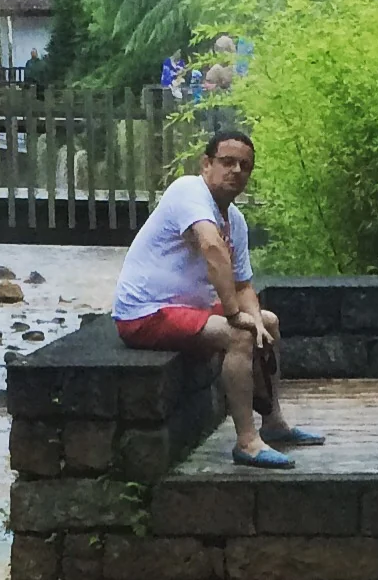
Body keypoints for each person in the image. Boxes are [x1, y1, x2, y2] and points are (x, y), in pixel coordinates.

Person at [107, 130, 318, 469]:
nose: (236, 170)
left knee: (269, 322)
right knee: (239, 335)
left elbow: (244, 284)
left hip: (187, 309)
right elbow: (211, 246)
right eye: (227, 162)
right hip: (146, 312)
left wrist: (255, 320)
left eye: (245, 166)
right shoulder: (189, 190)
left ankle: (274, 423)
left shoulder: (235, 219)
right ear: (206, 164)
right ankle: (247, 443)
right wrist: (236, 316)